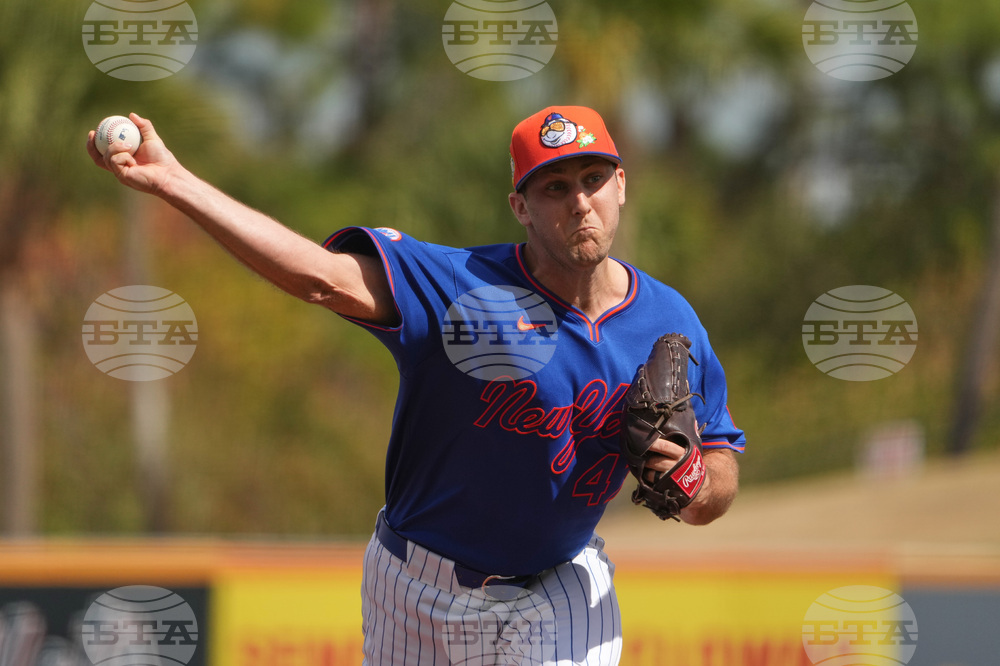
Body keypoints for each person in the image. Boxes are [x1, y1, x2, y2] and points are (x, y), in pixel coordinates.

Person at [88, 105, 745, 665]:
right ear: (520, 206)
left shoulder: (668, 321)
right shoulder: (459, 287)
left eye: (594, 178)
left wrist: (696, 486)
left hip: (562, 582)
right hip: (417, 586)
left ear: (621, 185)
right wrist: (174, 182)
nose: (580, 200)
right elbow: (319, 277)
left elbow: (718, 467)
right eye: (554, 187)